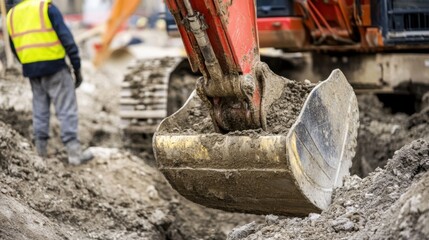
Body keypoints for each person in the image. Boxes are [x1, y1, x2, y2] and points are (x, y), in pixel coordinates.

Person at [7, 0, 92, 165]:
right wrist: (77, 68)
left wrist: (28, 63)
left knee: (40, 110)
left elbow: (13, 46)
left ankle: (40, 153)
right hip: (55, 67)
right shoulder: (45, 7)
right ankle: (74, 153)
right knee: (66, 108)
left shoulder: (11, 15)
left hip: (32, 70)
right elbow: (67, 39)